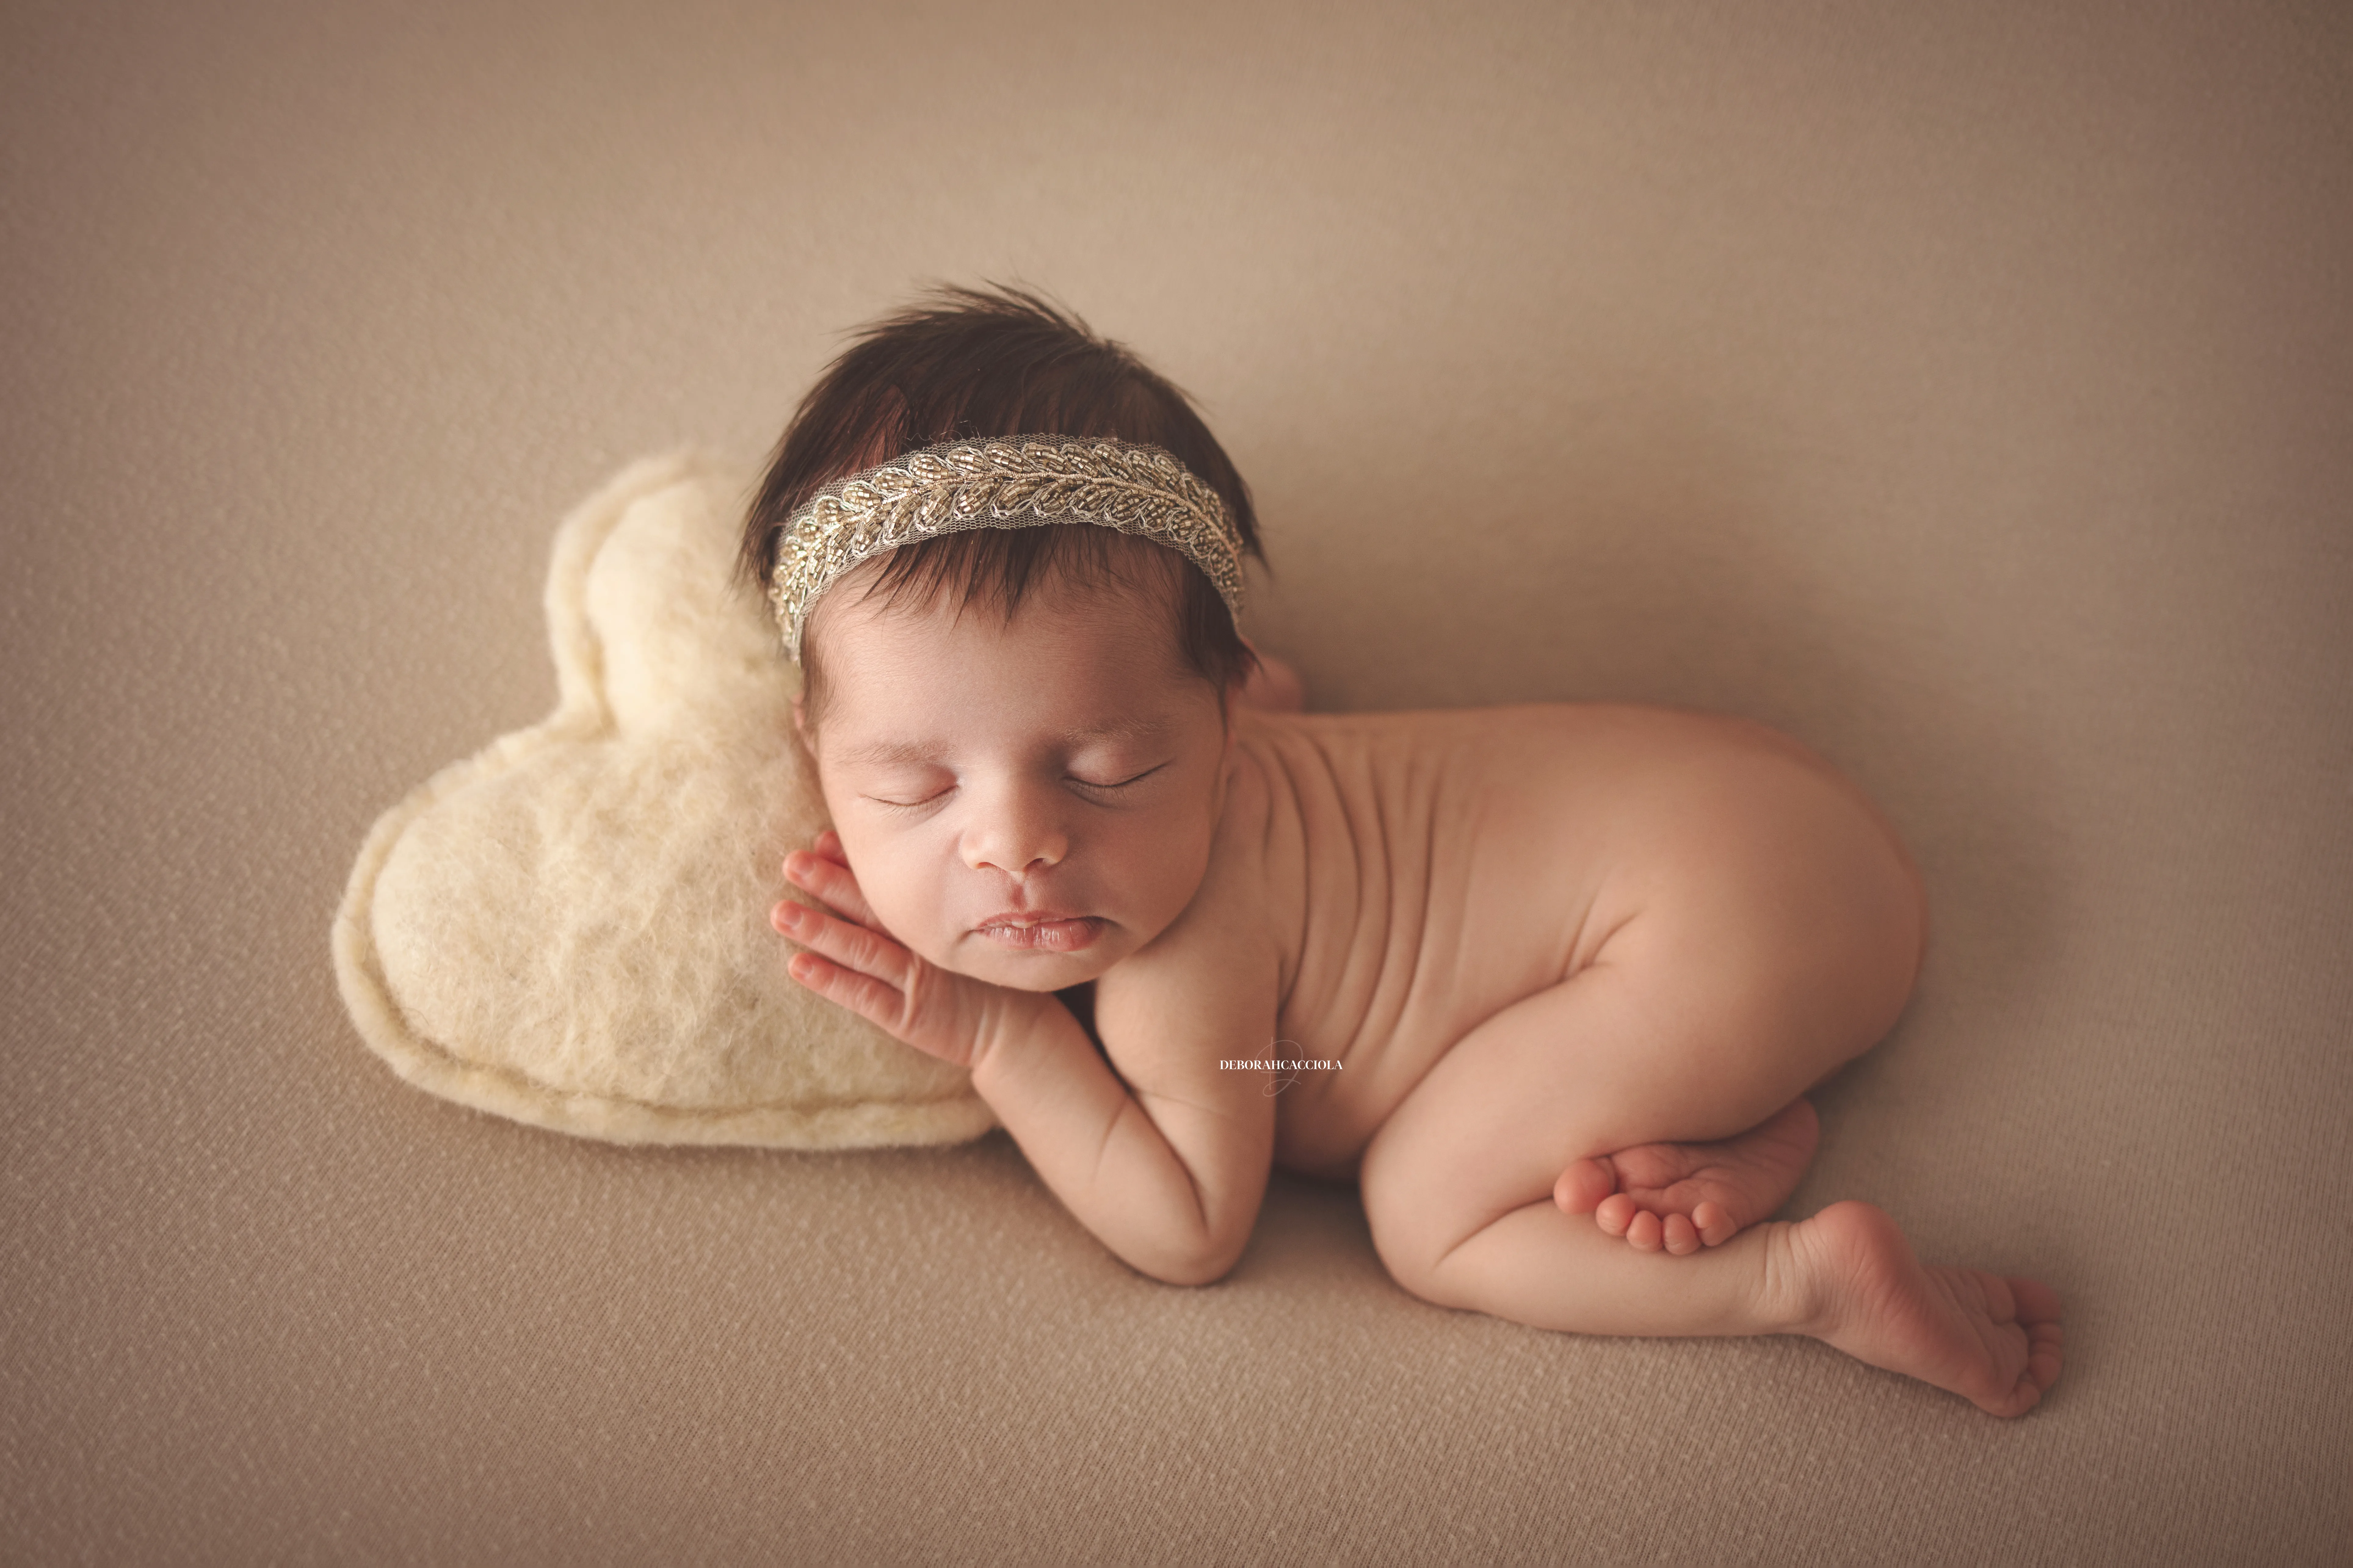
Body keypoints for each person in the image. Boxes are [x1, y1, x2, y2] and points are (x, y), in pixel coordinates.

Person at [738, 286, 2062, 1417]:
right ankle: (1719, 1128)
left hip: (1721, 916)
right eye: (911, 786)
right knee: (1521, 1098)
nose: (1019, 844)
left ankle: (1800, 1282)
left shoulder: (1179, 975)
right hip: (1763, 818)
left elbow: (1191, 1230)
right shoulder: (1242, 720)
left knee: (1429, 1214)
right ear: (812, 749)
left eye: (1110, 770)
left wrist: (996, 1040)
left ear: (1220, 718)